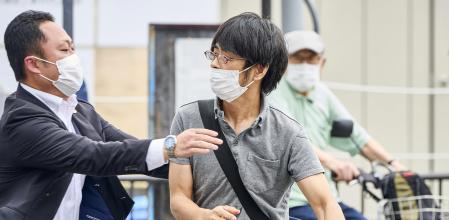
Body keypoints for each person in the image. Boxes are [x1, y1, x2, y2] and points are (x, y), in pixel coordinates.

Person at [0, 10, 223, 220]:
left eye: (73, 49)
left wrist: (212, 167)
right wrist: (171, 146)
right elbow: (93, 155)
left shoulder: (79, 111)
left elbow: (131, 149)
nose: (73, 58)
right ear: (34, 64)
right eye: (64, 50)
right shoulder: (22, 119)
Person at [168, 13, 344, 220]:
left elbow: (325, 205)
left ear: (259, 70)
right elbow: (178, 199)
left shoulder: (288, 133)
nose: (215, 64)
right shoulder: (188, 118)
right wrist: (203, 215)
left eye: (227, 58)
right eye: (214, 54)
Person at [268, 30, 407, 220]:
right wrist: (333, 163)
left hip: (327, 197)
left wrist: (395, 165)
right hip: (290, 200)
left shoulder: (322, 94)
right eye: (298, 59)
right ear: (283, 63)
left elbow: (359, 137)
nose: (305, 65)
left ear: (322, 63)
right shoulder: (273, 91)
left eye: (312, 59)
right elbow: (292, 138)